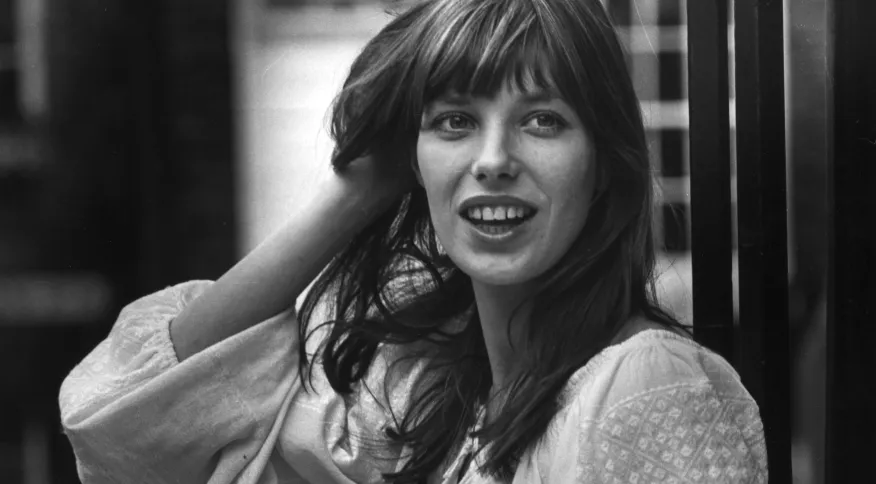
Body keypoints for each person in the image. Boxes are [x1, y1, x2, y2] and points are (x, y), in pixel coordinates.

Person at [59, 0, 768, 482]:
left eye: (543, 120)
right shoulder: (433, 406)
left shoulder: (646, 385)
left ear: (605, 164)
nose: (494, 159)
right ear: (412, 160)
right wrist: (358, 190)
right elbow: (132, 428)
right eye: (455, 121)